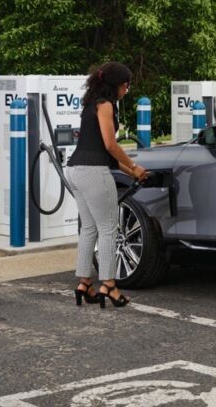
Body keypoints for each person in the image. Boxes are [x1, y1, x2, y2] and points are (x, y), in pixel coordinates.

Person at [66, 62, 148, 308]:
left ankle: (84, 284)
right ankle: (109, 286)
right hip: (94, 174)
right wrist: (133, 166)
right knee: (109, 229)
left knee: (89, 228)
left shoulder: (89, 105)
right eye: (126, 85)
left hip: (75, 170)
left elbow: (106, 154)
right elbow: (111, 145)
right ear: (116, 85)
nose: (127, 89)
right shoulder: (105, 106)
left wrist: (133, 172)